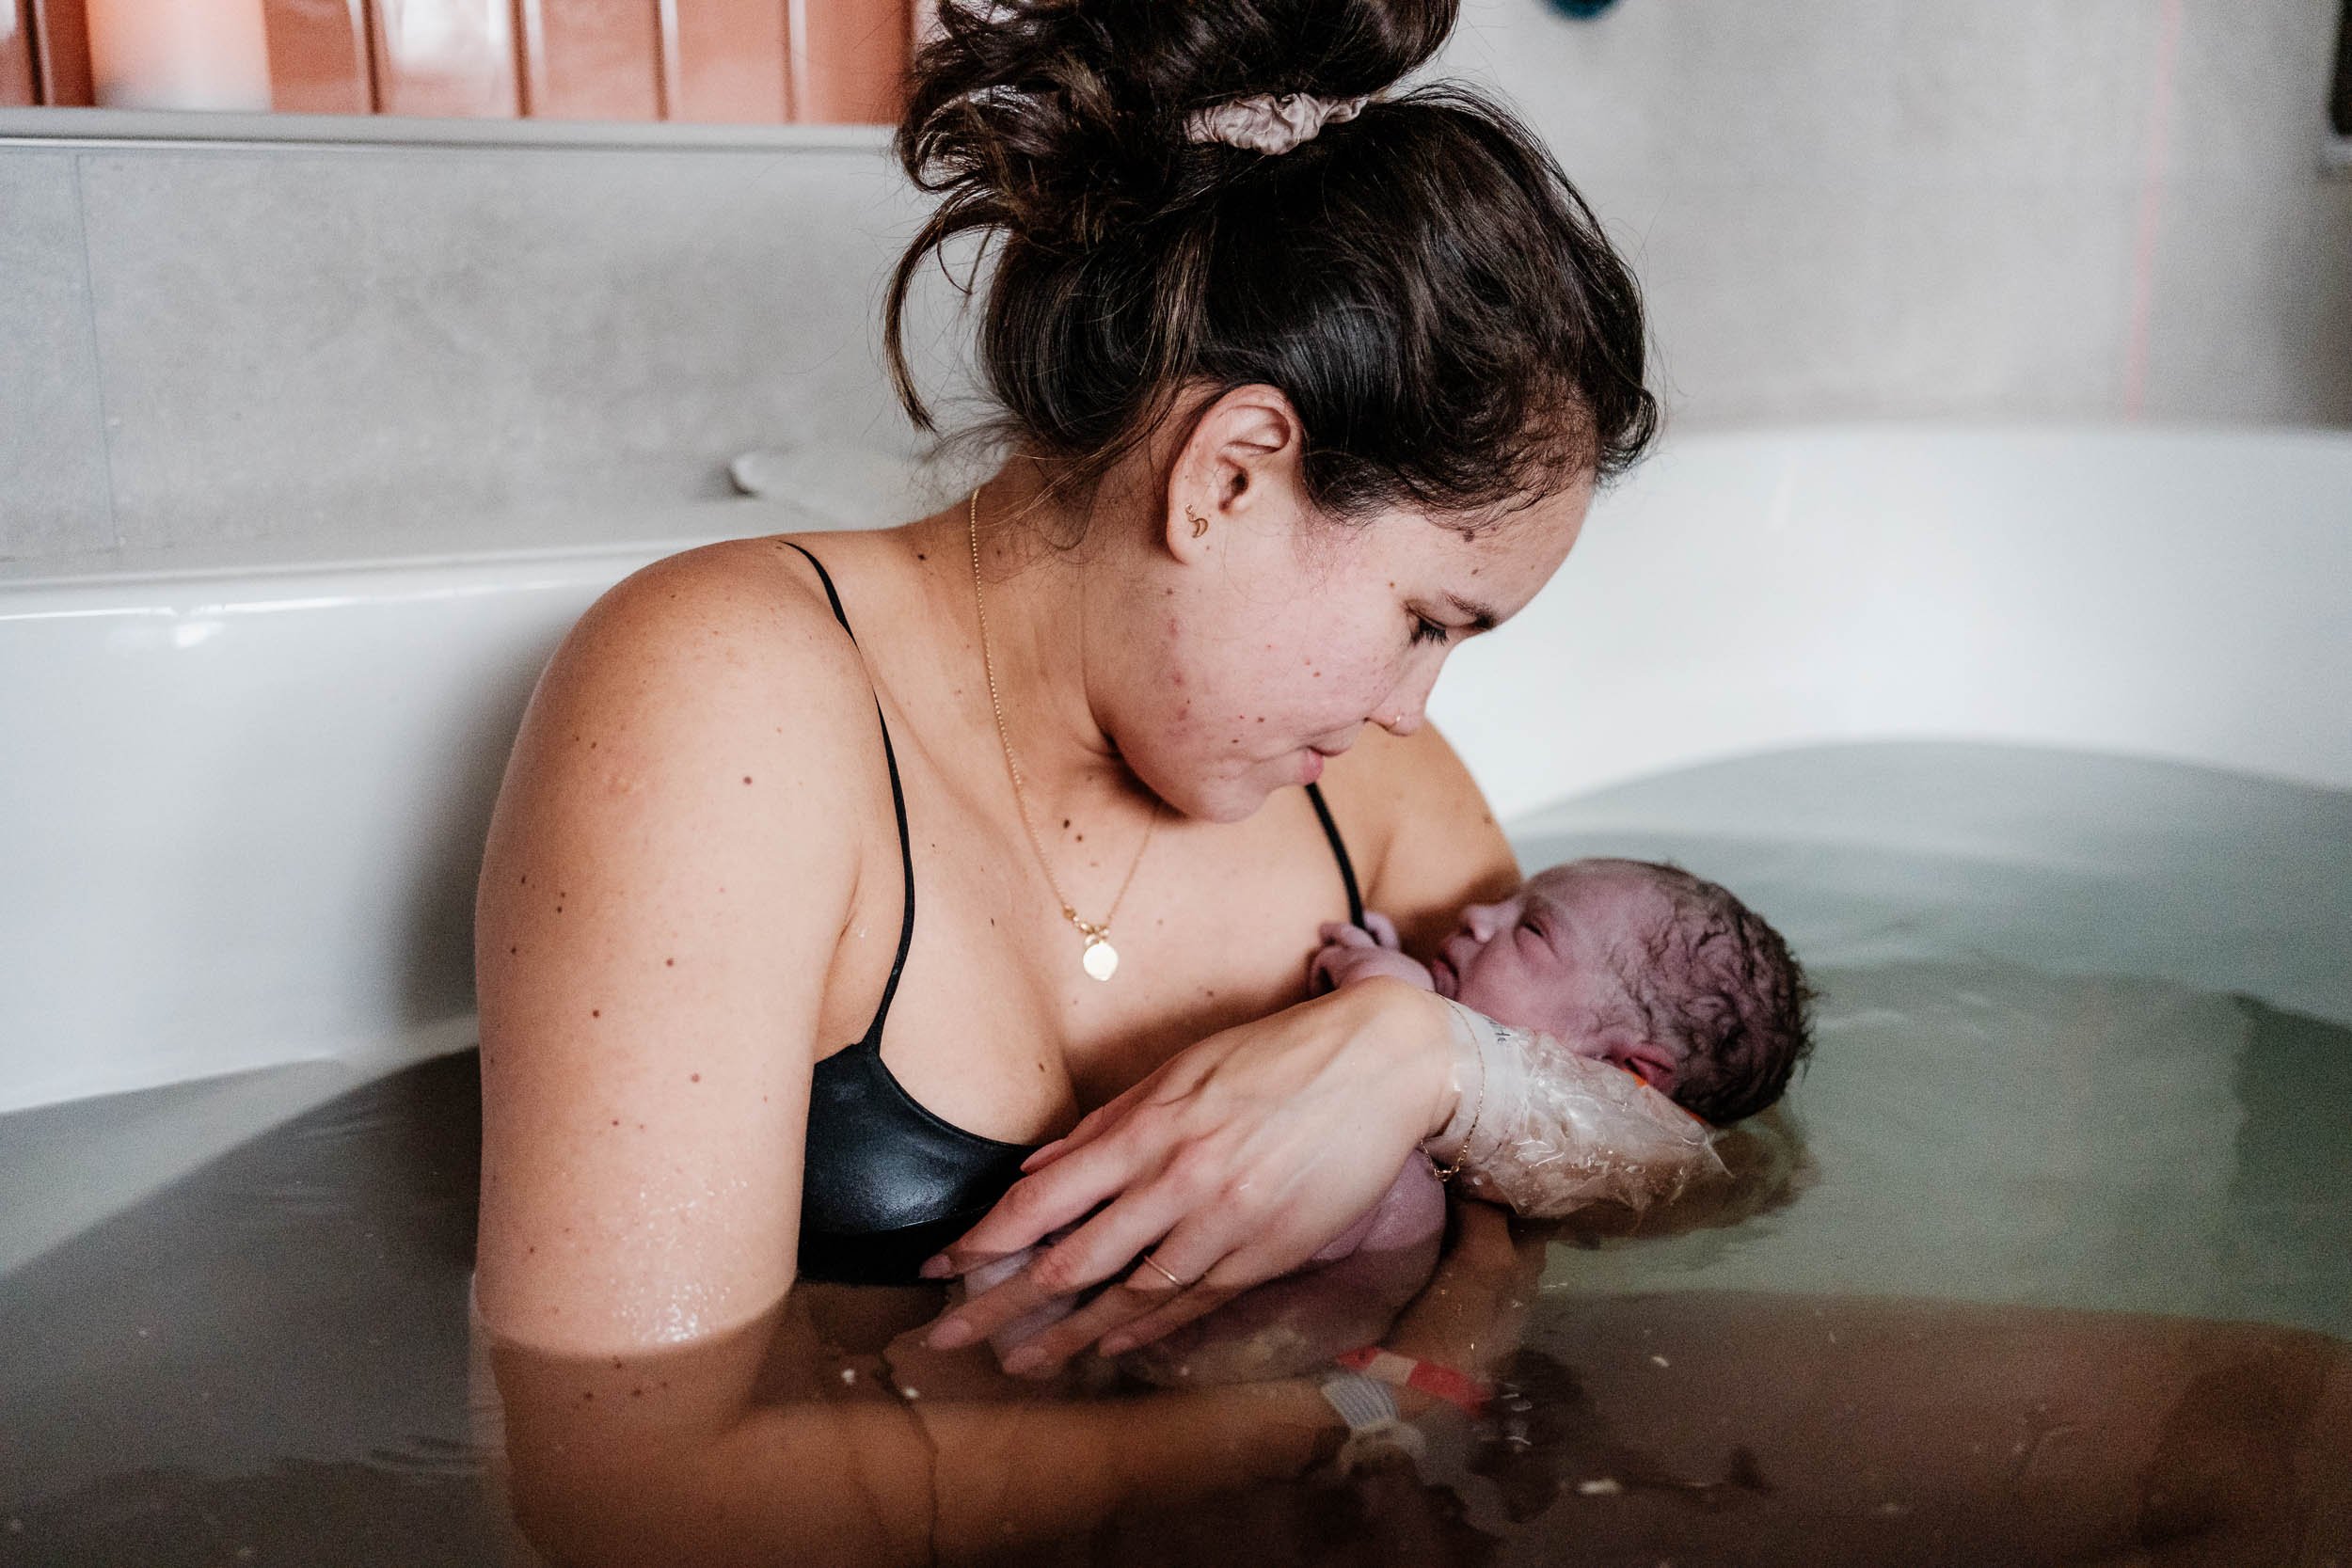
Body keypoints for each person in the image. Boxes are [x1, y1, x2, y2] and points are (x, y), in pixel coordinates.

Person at [472, 0, 1663, 1557]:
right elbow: (621, 1495)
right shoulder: (727, 698)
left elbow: (1667, 1149)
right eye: (1423, 620)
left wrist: (1430, 1058)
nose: (1409, 708)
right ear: (1227, 472)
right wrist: (1321, 1417)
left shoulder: (1373, 795)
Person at [968, 856, 1817, 1387]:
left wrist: (1384, 980)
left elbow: (1406, 1039)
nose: (1480, 915)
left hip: (1232, 1341)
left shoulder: (1556, 1143)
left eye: (1533, 929)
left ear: (1629, 1072)